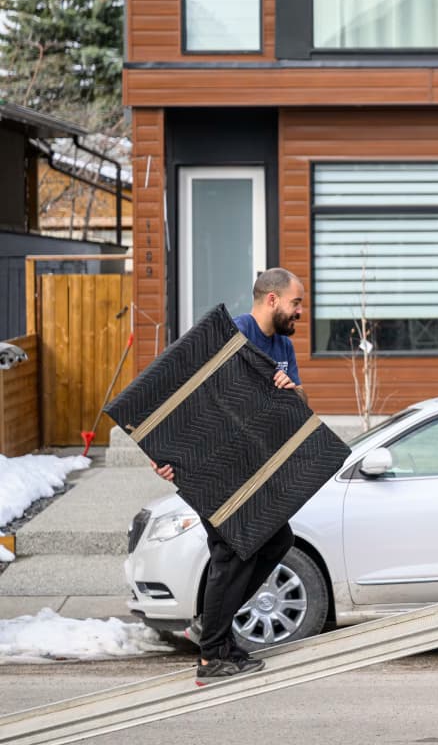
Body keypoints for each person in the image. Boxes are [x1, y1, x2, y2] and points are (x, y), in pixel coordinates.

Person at [151, 267, 308, 684]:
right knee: (230, 550)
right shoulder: (228, 335)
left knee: (277, 539)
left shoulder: (282, 347)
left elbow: (299, 404)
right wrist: (163, 453)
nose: (300, 313)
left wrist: (291, 391)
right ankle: (211, 656)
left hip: (251, 468)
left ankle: (216, 633)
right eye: (296, 304)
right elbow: (177, 392)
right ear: (271, 300)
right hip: (214, 466)